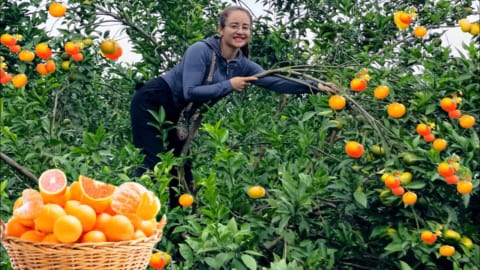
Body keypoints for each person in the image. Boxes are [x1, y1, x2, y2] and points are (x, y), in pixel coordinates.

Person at [130, 5, 323, 208]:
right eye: (234, 26)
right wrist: (229, 85)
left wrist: (316, 86)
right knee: (154, 165)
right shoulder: (201, 50)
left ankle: (176, 229)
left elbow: (274, 81)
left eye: (245, 27)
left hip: (178, 113)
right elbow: (190, 91)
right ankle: (129, 217)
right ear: (221, 29)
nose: (240, 31)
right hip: (153, 101)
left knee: (180, 170)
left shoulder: (241, 63)